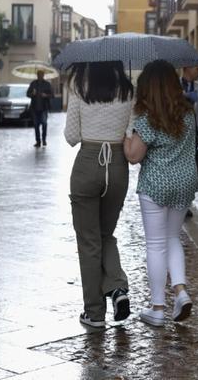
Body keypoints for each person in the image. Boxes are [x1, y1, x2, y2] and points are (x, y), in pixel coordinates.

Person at [123, 60, 198, 327]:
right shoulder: (188, 112)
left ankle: (157, 308)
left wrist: (126, 133)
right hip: (184, 182)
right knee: (172, 237)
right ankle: (180, 291)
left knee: (156, 244)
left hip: (156, 185)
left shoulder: (148, 118)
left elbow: (133, 155)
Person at [64, 61, 134, 328]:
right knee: (105, 235)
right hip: (117, 167)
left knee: (89, 241)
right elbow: (130, 132)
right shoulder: (128, 91)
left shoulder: (80, 88)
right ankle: (117, 288)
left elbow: (71, 137)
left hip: (88, 165)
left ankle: (94, 314)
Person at [181, 65, 198, 218]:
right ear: (187, 68)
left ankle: (187, 202)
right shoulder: (174, 85)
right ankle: (180, 201)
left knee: (191, 169)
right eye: (197, 68)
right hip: (177, 133)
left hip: (193, 134)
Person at [27, 70, 54, 147]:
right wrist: (32, 94)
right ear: (37, 75)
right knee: (36, 125)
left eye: (41, 75)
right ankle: (38, 141)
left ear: (43, 75)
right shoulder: (33, 84)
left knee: (44, 124)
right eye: (39, 75)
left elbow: (52, 95)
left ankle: (44, 139)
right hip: (34, 108)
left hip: (44, 108)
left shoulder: (47, 84)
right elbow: (27, 94)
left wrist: (46, 95)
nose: (40, 76)